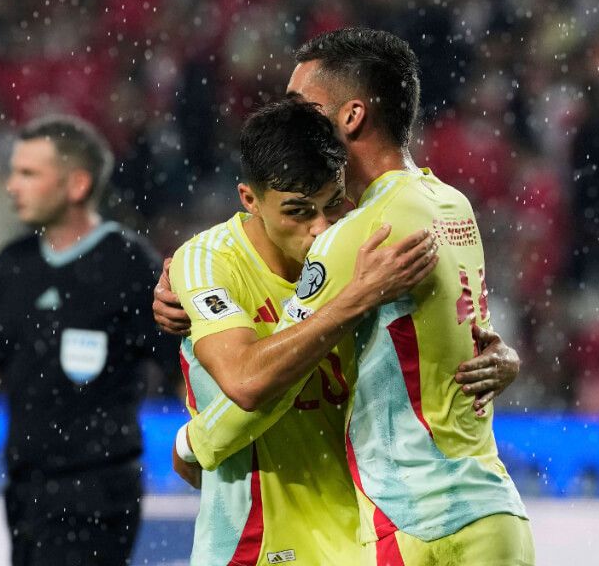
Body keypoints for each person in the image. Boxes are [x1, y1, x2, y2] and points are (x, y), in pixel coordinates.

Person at [171, 29, 535, 565]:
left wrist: (191, 444)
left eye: (303, 105)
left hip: (413, 525)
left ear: (351, 116)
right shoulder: (451, 203)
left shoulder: (356, 237)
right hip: (492, 510)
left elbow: (253, 382)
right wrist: (504, 358)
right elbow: (459, 331)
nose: (290, 117)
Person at [167, 95, 440, 564]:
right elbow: (246, 382)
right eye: (297, 212)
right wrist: (355, 301)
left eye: (332, 204)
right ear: (249, 199)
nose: (319, 229)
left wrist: (498, 359)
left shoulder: (363, 247)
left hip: (361, 542)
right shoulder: (206, 260)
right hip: (251, 547)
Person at [0, 115, 174, 566]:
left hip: (100, 489)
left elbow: (182, 363)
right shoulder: (10, 269)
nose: (12, 185)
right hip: (26, 487)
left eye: (28, 173)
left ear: (76, 184)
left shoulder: (129, 266)